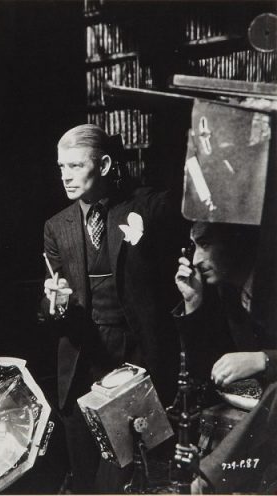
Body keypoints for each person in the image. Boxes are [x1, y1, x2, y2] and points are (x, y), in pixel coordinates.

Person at [43, 124, 182, 493]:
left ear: (103, 165)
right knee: (87, 479)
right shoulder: (57, 227)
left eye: (75, 166)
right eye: (61, 167)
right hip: (83, 363)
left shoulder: (144, 207)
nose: (65, 176)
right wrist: (55, 303)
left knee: (134, 475)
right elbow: (51, 305)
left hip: (138, 359)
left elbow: (180, 203)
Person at [174, 221, 277, 493]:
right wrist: (193, 302)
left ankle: (208, 480)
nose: (196, 260)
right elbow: (207, 371)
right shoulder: (228, 290)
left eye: (205, 244)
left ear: (237, 239)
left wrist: (263, 360)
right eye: (194, 246)